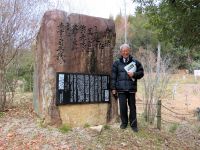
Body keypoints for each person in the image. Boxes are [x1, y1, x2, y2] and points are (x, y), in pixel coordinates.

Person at [111, 43, 144, 132]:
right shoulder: (116, 63)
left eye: (126, 51)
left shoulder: (135, 62)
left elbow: (141, 73)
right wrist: (113, 88)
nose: (125, 52)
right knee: (123, 107)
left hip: (131, 89)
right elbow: (113, 76)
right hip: (121, 89)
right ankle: (124, 123)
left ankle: (133, 125)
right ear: (121, 52)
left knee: (132, 107)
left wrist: (134, 74)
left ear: (129, 51)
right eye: (123, 51)